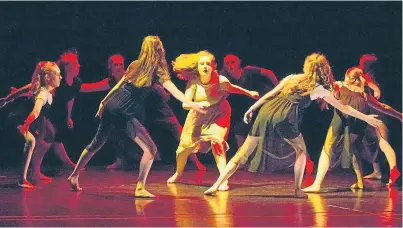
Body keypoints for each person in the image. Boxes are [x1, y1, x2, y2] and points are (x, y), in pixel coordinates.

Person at [204, 53, 382, 198]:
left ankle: (217, 184)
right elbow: (344, 107)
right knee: (301, 151)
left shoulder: (291, 78)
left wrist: (251, 108)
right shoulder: (318, 88)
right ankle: (297, 190)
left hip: (266, 113)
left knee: (243, 153)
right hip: (285, 117)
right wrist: (365, 118)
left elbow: (270, 95)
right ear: (323, 70)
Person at [67, 35, 206, 198]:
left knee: (97, 143)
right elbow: (173, 90)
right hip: (125, 112)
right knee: (151, 149)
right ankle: (140, 187)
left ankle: (74, 176)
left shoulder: (135, 64)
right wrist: (192, 103)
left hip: (113, 106)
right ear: (159, 51)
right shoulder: (157, 71)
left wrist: (104, 103)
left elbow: (119, 85)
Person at [80, 54, 205, 170]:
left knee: (177, 130)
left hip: (156, 105)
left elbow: (153, 84)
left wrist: (163, 93)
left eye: (121, 64)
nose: (119, 67)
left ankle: (195, 160)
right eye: (115, 64)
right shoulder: (111, 81)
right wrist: (72, 87)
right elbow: (90, 87)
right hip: (139, 110)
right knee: (117, 126)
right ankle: (123, 159)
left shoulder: (132, 75)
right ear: (109, 67)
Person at [167, 50, 259, 190]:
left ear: (213, 66)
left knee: (217, 143)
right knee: (183, 150)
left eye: (208, 64)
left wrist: (249, 93)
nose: (205, 67)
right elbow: (185, 103)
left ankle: (223, 179)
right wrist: (195, 105)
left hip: (219, 113)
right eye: (201, 64)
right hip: (198, 116)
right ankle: (179, 173)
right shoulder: (194, 82)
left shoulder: (220, 80)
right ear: (197, 67)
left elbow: (233, 88)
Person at [302, 67, 401, 192]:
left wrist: (323, 100)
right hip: (359, 120)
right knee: (355, 150)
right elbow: (383, 107)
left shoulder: (340, 84)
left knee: (328, 148)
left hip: (342, 117)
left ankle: (317, 184)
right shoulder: (364, 94)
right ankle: (360, 182)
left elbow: (330, 92)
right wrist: (400, 116)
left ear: (347, 76)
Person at [11, 61, 62, 188]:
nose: (61, 77)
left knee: (42, 138)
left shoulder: (39, 87)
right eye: (58, 74)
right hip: (20, 120)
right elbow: (35, 111)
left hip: (29, 121)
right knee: (31, 141)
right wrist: (26, 124)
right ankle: (22, 180)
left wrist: (7, 98)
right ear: (48, 78)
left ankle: (34, 172)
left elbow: (25, 89)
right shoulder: (43, 94)